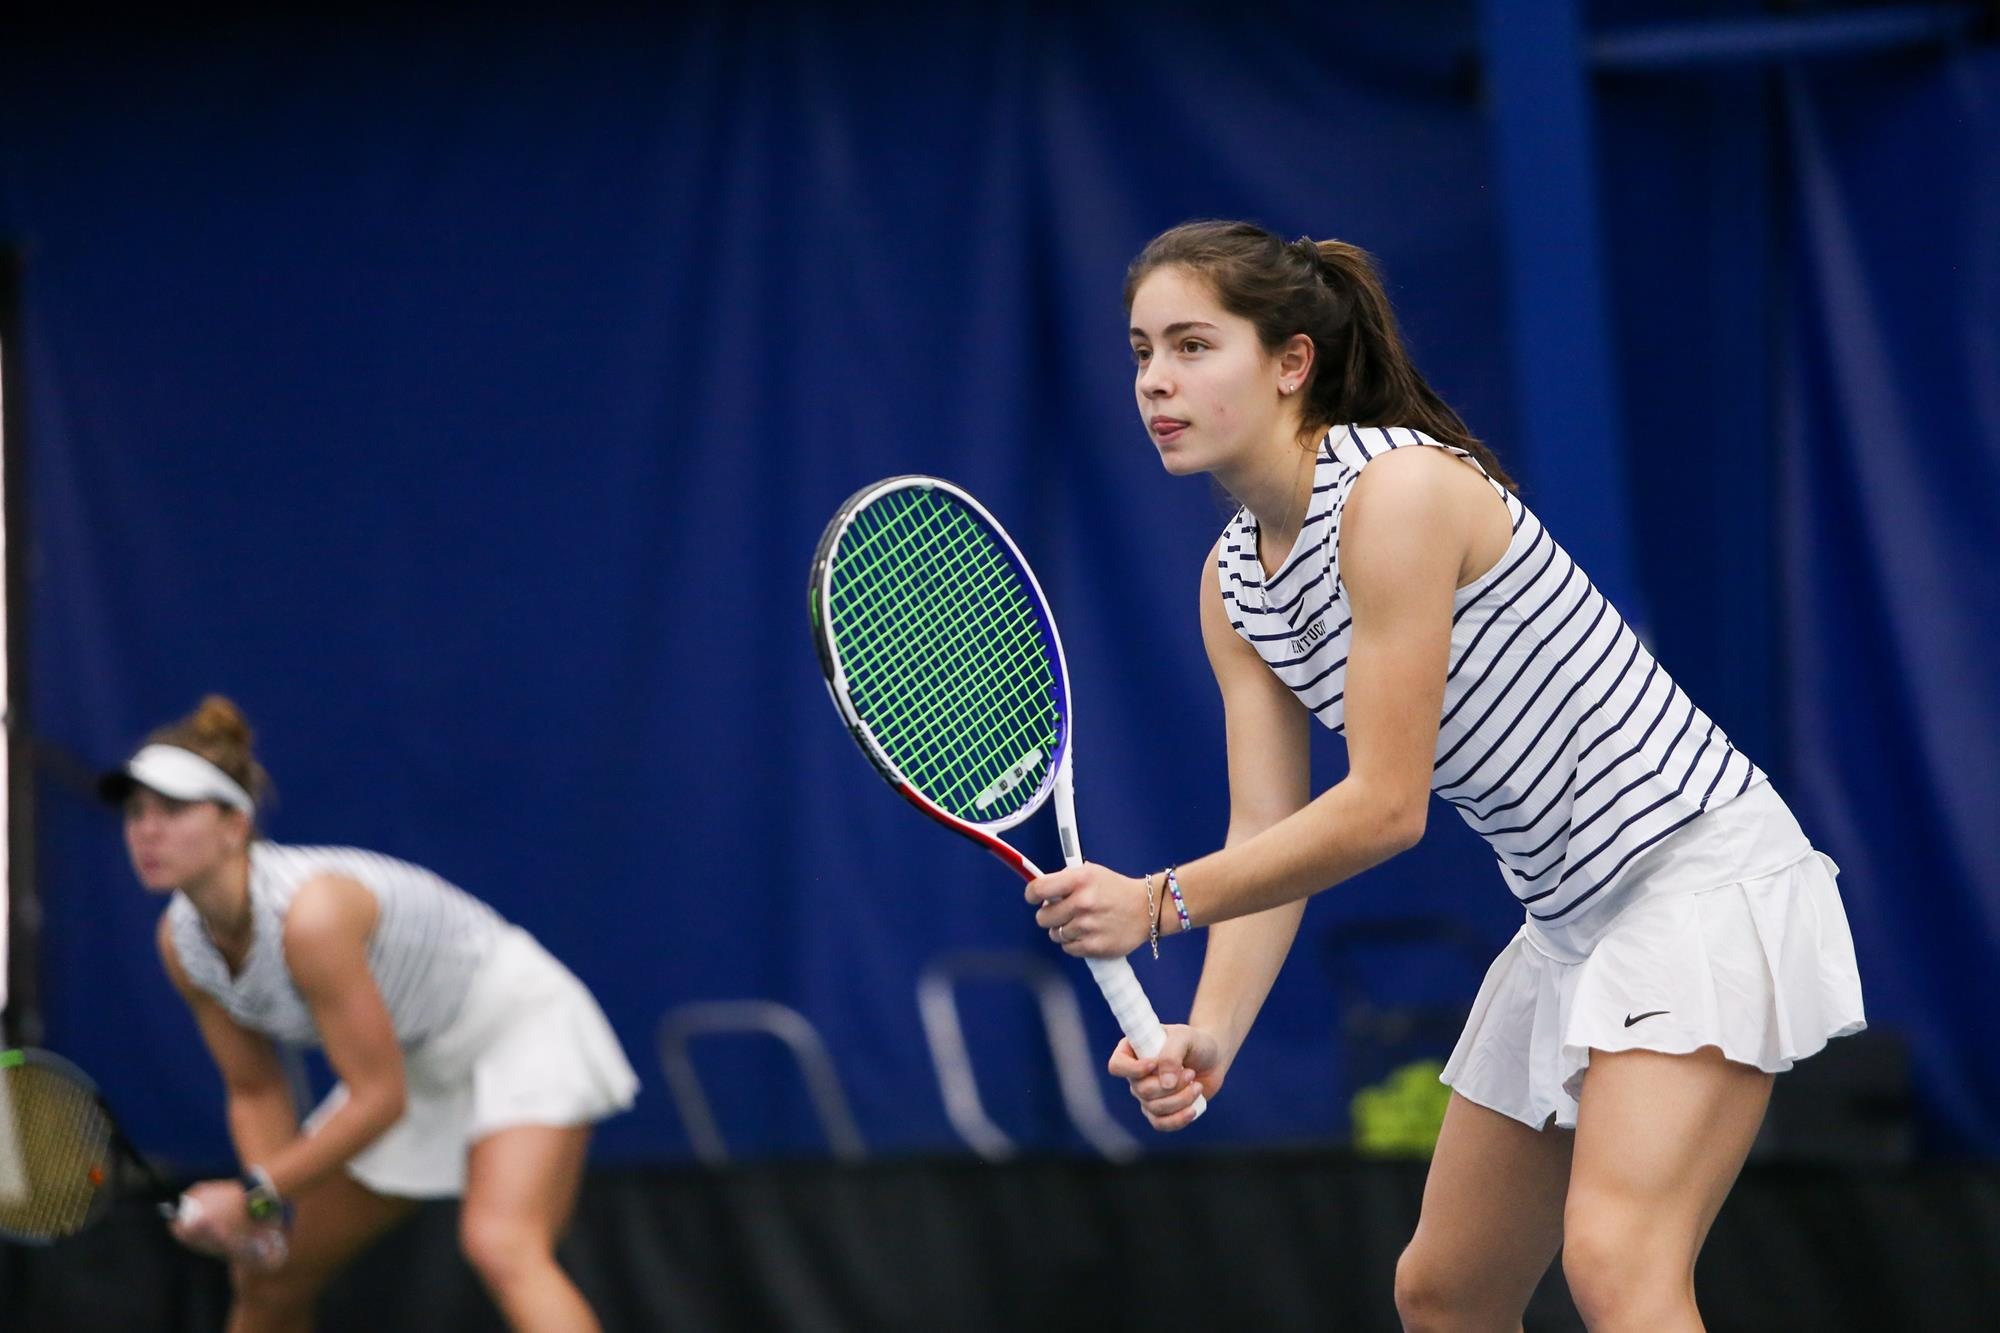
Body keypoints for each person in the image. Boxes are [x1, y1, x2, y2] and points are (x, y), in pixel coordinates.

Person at [1025, 220, 1866, 1331]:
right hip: (1568, 922)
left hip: (1695, 878)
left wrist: (1156, 904)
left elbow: (1382, 807)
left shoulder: (1399, 496)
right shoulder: (1232, 583)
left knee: (1616, 1265)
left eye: (1190, 345)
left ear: (1290, 362)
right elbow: (1263, 828)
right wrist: (1210, 1028)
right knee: (1444, 1291)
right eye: (1140, 352)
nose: (1156, 382)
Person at [103, 695, 638, 1333]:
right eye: (136, 812)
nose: (147, 830)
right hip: (410, 1058)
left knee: (503, 1244)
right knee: (270, 1278)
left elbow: (378, 1098)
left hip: (517, 1024)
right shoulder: (181, 944)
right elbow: (256, 1086)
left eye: (173, 809)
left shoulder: (314, 916)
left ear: (234, 825)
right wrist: (265, 1214)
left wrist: (254, 1192)